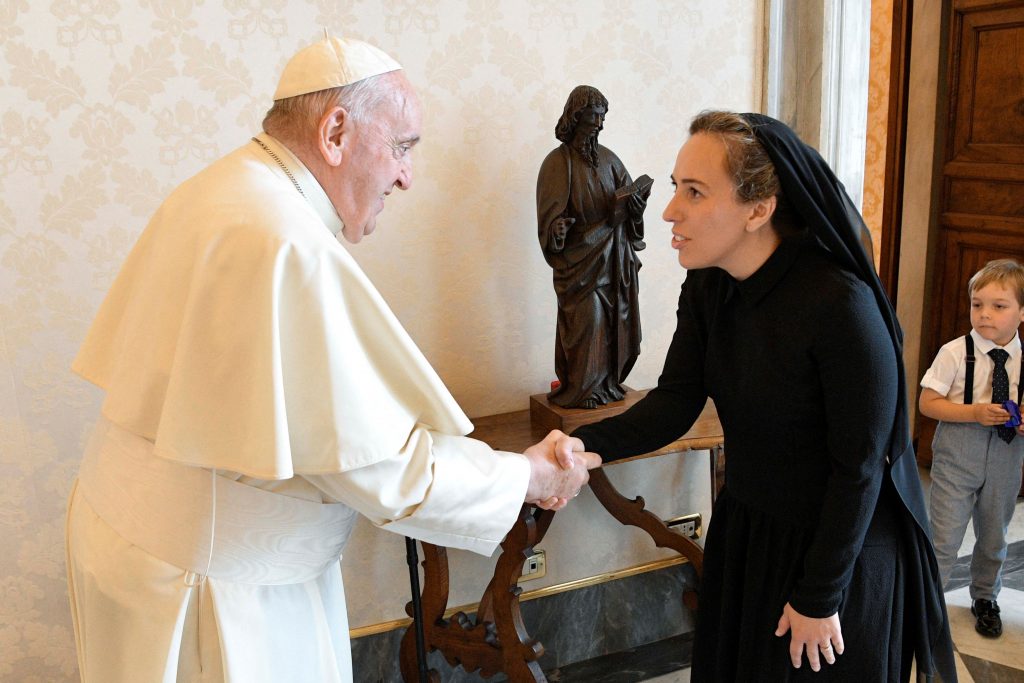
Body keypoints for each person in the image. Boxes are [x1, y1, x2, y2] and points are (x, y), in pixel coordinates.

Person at [65, 35, 597, 683]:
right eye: (402, 147)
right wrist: (525, 476)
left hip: (139, 544)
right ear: (336, 131)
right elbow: (380, 466)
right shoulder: (284, 241)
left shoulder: (224, 189)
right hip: (218, 592)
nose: (406, 176)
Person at [541, 111, 957, 681]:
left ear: (758, 210)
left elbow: (858, 469)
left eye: (695, 192)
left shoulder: (842, 307)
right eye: (676, 187)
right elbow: (675, 401)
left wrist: (819, 596)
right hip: (748, 532)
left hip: (837, 550)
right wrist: (583, 447)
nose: (669, 210)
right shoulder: (709, 284)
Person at [919, 258, 1024, 639]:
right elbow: (927, 403)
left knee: (994, 535)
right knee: (944, 536)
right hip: (957, 455)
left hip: (1006, 457)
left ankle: (985, 597)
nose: (985, 314)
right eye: (977, 304)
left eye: (999, 306)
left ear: (1022, 312)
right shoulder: (954, 352)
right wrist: (974, 413)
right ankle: (927, 602)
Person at [536, 85, 650, 409]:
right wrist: (557, 230)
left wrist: (635, 208)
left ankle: (607, 385)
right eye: (593, 117)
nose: (599, 125)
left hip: (614, 257)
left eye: (602, 118)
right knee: (590, 321)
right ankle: (583, 390)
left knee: (613, 325)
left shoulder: (610, 160)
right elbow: (548, 219)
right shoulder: (558, 164)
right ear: (576, 117)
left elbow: (629, 202)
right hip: (580, 262)